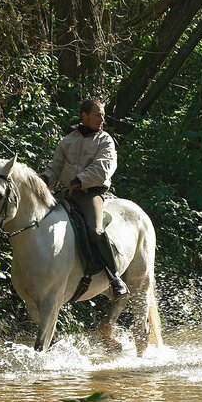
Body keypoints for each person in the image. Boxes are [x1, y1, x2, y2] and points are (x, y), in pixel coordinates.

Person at [39, 99, 129, 300]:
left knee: (95, 230)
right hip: (67, 194)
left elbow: (103, 167)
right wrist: (45, 178)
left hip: (91, 194)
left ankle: (114, 278)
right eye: (98, 115)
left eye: (103, 115)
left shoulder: (105, 141)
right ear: (84, 115)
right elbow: (56, 167)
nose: (102, 119)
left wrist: (80, 180)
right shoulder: (67, 141)